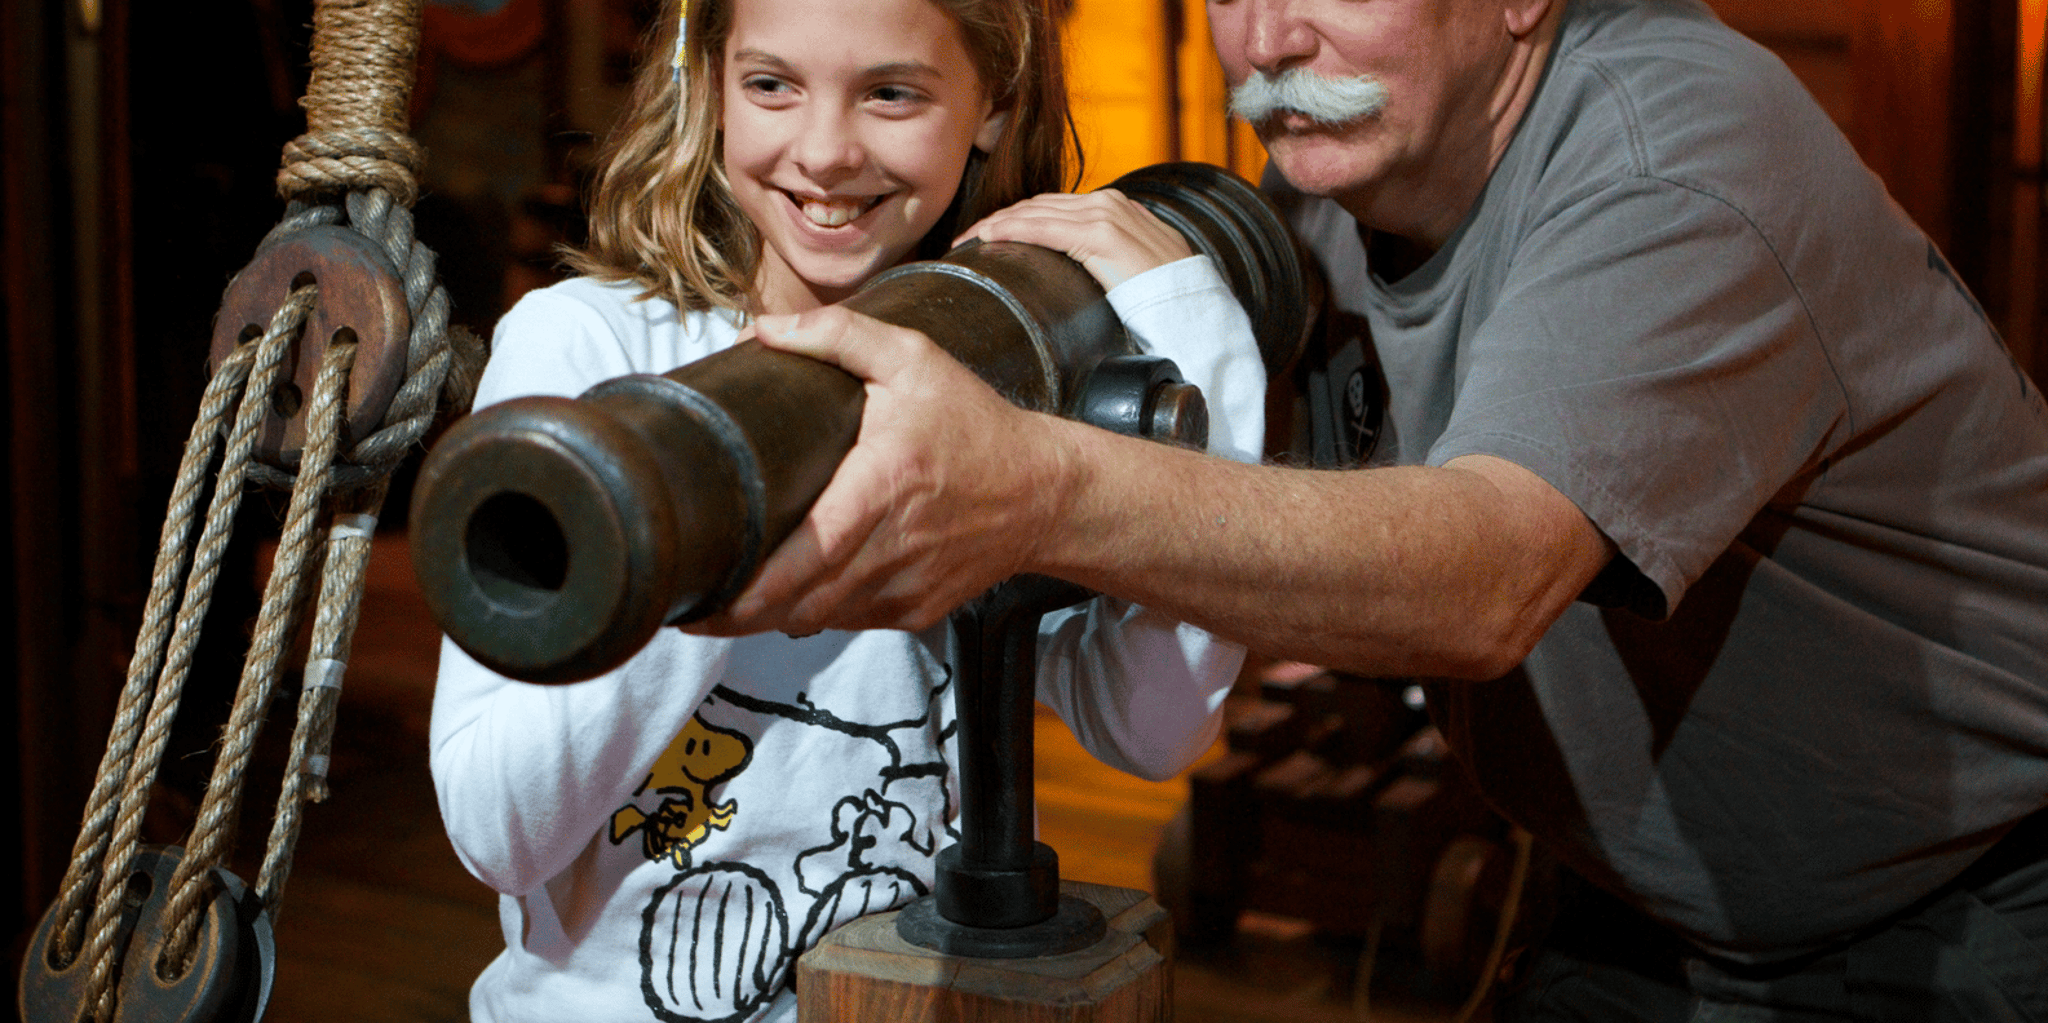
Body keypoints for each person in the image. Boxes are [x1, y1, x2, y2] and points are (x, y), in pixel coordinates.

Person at [691, 0, 2048, 1017]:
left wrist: (1032, 489)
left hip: (1964, 904)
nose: (1270, 36)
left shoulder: (1674, 159)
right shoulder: (1338, 187)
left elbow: (1484, 579)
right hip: (1633, 901)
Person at [426, 0, 1269, 1019]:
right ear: (710, 79)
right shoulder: (590, 353)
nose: (823, 153)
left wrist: (1196, 328)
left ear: (992, 105)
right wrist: (699, 496)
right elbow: (494, 830)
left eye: (889, 92)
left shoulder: (997, 373)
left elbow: (1153, 726)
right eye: (771, 84)